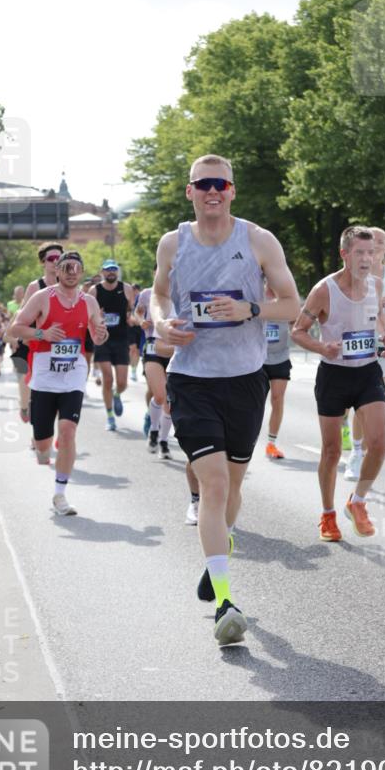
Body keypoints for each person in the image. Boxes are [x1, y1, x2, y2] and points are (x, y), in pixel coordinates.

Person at [151, 154, 299, 645]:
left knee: (234, 486)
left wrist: (250, 307)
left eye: (221, 184)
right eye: (203, 184)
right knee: (212, 487)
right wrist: (162, 323)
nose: (213, 191)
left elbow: (293, 304)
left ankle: (217, 554)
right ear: (189, 191)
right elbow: (157, 295)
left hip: (245, 379)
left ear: (232, 190)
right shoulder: (173, 243)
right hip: (191, 379)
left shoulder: (258, 240)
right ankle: (225, 601)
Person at [291, 226, 385, 542]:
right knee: (332, 451)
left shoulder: (376, 285)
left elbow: (377, 319)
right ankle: (327, 514)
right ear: (345, 254)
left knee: (378, 444)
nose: (366, 258)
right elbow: (298, 331)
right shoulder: (325, 290)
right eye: (359, 252)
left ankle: (357, 501)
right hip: (333, 376)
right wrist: (323, 347)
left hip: (367, 372)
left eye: (370, 252)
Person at [9, 250, 107, 516]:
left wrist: (100, 333)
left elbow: (97, 337)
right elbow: (15, 329)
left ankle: (60, 495)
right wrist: (43, 333)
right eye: (67, 267)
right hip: (43, 373)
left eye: (77, 268)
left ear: (82, 272)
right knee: (43, 447)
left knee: (68, 431)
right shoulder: (42, 297)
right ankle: (40, 441)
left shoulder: (89, 302)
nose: (72, 272)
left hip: (73, 372)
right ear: (58, 271)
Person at [344, 227, 385, 480]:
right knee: (356, 400)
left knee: (369, 402)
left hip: (383, 344)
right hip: (356, 339)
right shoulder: (355, 270)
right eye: (374, 243)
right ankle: (356, 452)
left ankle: (359, 452)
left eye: (382, 242)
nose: (378, 246)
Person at [11, 243, 64, 423]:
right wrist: (40, 334)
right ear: (43, 262)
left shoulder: (68, 284)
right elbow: (22, 316)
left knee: (56, 393)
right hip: (34, 343)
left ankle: (49, 430)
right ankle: (28, 411)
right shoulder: (35, 286)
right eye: (51, 259)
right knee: (36, 390)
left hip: (59, 345)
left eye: (59, 258)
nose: (55, 262)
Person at [92, 260, 134, 431]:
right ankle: (110, 417)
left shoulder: (127, 289)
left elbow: (130, 313)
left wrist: (134, 319)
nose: (111, 273)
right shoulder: (94, 291)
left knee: (122, 382)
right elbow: (89, 315)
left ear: (117, 272)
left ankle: (117, 394)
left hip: (121, 339)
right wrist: (96, 316)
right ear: (102, 272)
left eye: (114, 270)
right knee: (107, 378)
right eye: (108, 270)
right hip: (102, 339)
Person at [136, 275, 174, 460]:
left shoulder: (184, 294)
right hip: (153, 345)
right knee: (159, 395)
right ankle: (153, 429)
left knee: (170, 403)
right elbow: (137, 312)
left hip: (177, 351)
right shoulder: (148, 294)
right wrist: (140, 320)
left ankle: (164, 441)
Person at [262, 284, 295, 460]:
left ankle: (271, 444)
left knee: (277, 398)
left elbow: (297, 319)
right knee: (255, 403)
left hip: (280, 358)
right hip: (257, 359)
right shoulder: (255, 295)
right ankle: (246, 442)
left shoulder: (286, 299)